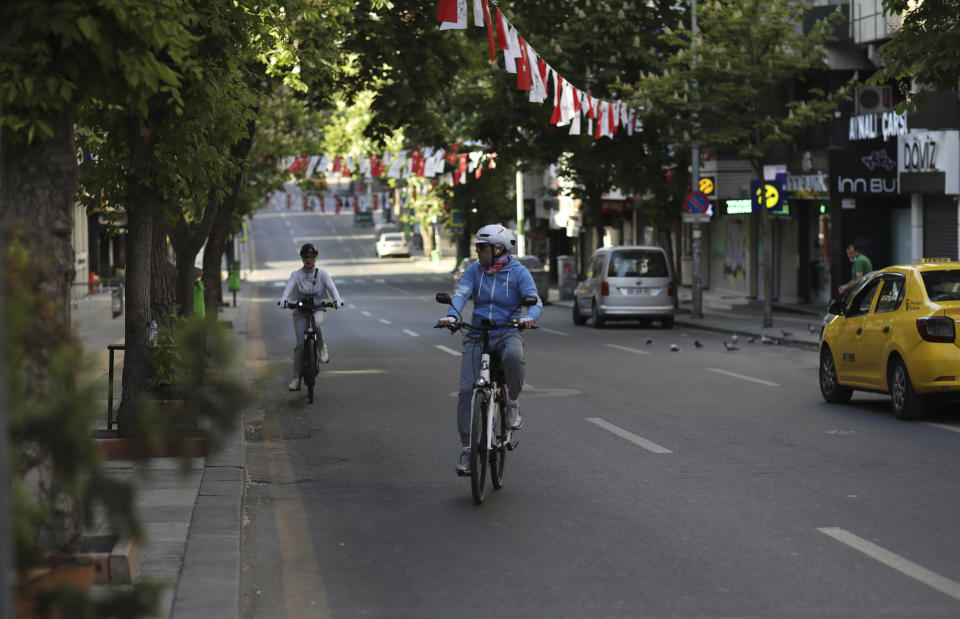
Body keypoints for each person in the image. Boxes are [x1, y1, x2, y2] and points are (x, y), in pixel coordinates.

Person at [435, 224, 543, 475]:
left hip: (508, 330)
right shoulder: (474, 270)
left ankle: (513, 402)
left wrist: (529, 317)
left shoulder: (519, 272)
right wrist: (452, 316)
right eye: (477, 247)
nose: (477, 251)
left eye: (482, 247)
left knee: (514, 356)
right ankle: (466, 449)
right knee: (465, 390)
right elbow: (461, 295)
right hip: (477, 333)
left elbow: (534, 300)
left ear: (498, 249)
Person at [280, 243, 343, 391]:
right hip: (301, 312)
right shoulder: (296, 275)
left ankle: (321, 347)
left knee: (316, 324)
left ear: (315, 258)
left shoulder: (322, 274)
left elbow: (332, 288)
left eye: (312, 257)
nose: (309, 260)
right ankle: (296, 378)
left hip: (317, 309)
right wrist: (284, 301)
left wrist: (337, 301)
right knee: (300, 345)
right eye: (306, 257)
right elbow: (288, 290)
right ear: (302, 258)